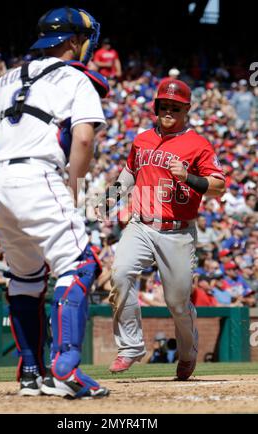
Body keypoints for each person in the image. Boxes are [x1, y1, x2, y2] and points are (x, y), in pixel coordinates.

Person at [0, 6, 110, 399]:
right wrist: (72, 184)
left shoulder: (9, 76)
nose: (87, 47)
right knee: (79, 265)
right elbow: (83, 139)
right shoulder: (76, 79)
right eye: (83, 40)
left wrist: (2, 168)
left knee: (26, 279)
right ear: (71, 41)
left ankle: (30, 373)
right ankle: (65, 369)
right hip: (39, 176)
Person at [98, 78, 226, 380]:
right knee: (119, 274)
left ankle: (187, 352)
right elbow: (129, 173)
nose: (168, 110)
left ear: (187, 109)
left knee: (177, 302)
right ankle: (130, 347)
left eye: (175, 107)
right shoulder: (141, 139)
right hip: (141, 224)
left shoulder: (199, 144)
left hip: (178, 231)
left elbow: (219, 187)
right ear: (156, 107)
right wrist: (109, 200)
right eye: (163, 105)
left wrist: (190, 177)